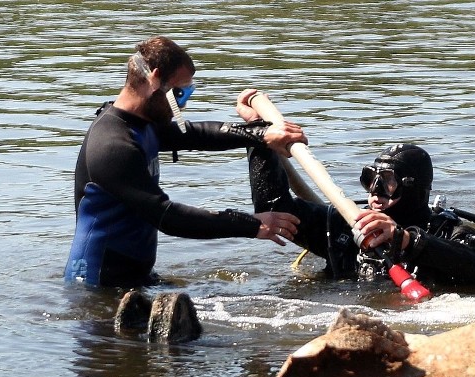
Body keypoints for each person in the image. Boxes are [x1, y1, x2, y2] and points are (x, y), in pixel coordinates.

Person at [64, 37, 307, 288]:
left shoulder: (141, 125)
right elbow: (167, 216)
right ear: (154, 80)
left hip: (137, 278)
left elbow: (196, 134)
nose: (183, 104)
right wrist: (253, 224)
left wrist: (260, 133)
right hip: (97, 287)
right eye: (179, 94)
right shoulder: (112, 145)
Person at [236, 90, 475, 286]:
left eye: (388, 182)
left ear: (415, 189)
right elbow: (274, 210)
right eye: (370, 179)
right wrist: (258, 135)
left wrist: (404, 240)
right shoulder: (342, 228)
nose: (375, 191)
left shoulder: (449, 231)